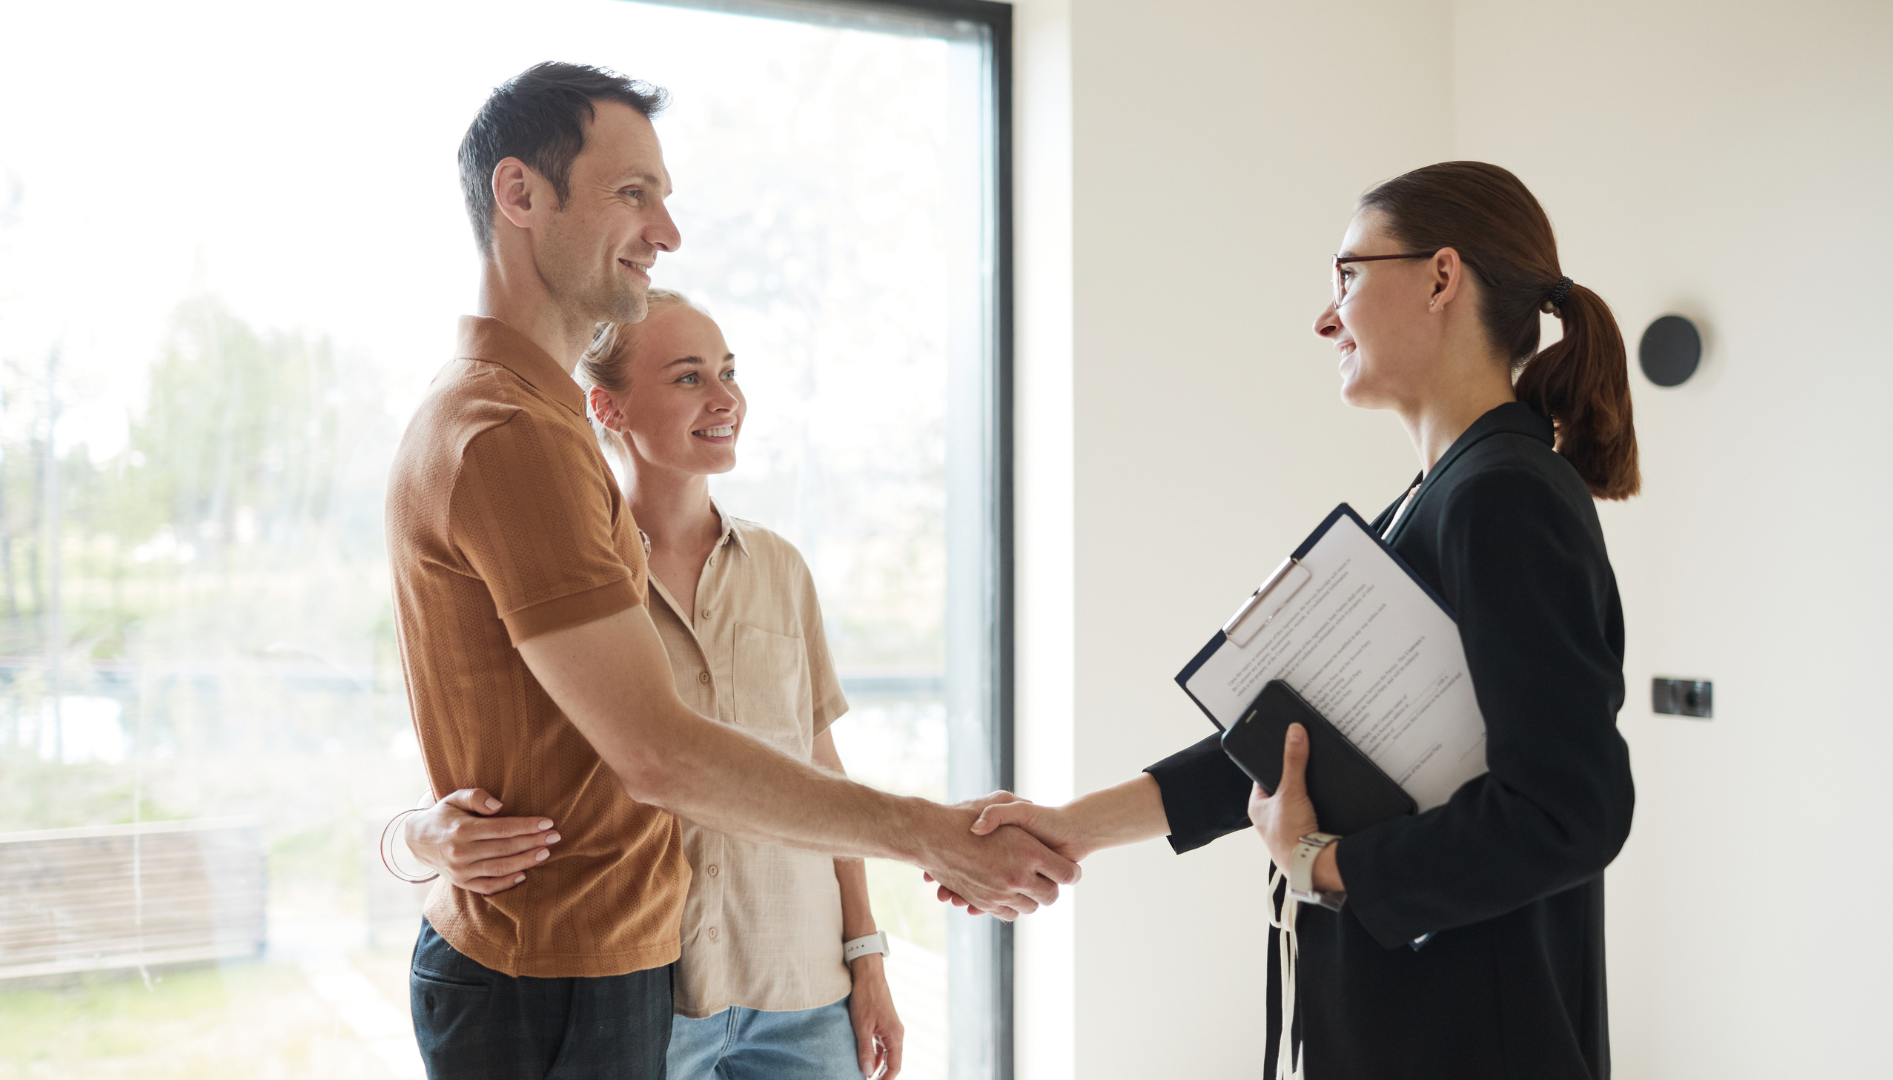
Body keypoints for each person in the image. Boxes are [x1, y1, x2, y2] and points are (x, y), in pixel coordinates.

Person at [386, 61, 1073, 1080]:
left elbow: (523, 732)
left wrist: (866, 947)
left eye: (664, 198)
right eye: (633, 193)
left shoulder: (537, 424)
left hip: (616, 963)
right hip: (554, 976)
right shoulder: (507, 433)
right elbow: (656, 753)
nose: (667, 233)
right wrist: (934, 834)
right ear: (521, 195)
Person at [958, 161, 1638, 1080]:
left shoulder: (1503, 498)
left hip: (1476, 1033)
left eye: (1347, 277)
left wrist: (1323, 865)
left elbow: (1570, 812)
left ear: (1442, 277)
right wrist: (1070, 827)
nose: (1327, 318)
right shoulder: (1440, 499)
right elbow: (1292, 743)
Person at [402, 292, 906, 1080]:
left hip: (804, 989)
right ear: (607, 405)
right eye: (688, 378)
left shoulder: (780, 569)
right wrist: (416, 833)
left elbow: (821, 766)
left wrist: (866, 957)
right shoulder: (577, 573)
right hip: (651, 1000)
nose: (724, 398)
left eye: (728, 372)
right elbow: (503, 747)